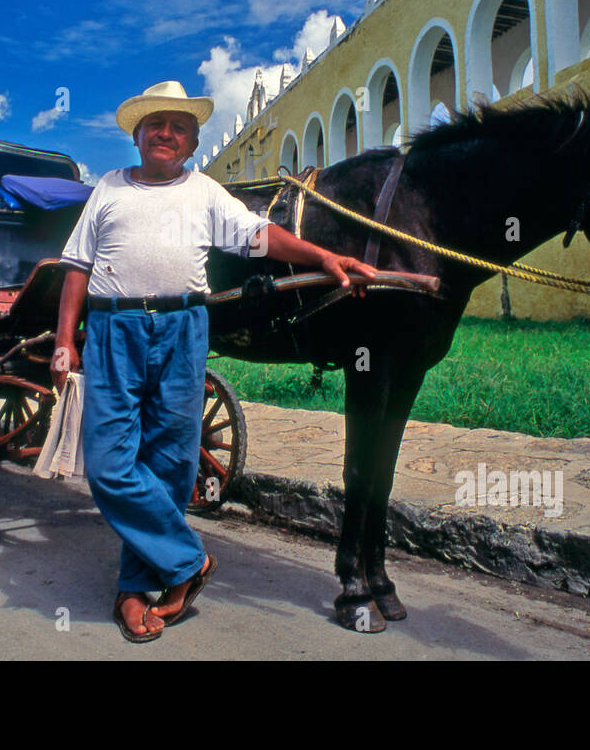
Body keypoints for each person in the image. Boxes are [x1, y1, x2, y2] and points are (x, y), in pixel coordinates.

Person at [53, 80, 378, 643]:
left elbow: (260, 236)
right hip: (113, 330)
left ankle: (134, 591)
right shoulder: (107, 189)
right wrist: (64, 339)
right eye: (156, 123)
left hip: (183, 329)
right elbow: (77, 265)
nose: (166, 133)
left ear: (192, 142)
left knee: (174, 466)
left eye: (179, 127)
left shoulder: (204, 192)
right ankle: (189, 560)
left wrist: (324, 255)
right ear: (137, 135)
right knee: (108, 465)